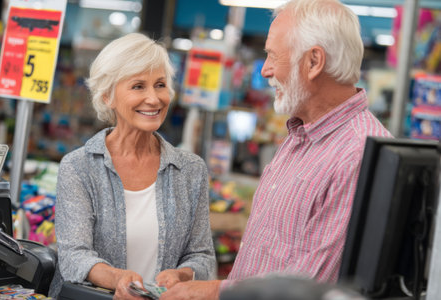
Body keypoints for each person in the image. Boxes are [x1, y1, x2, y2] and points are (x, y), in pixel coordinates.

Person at [159, 0, 392, 299]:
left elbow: (307, 289)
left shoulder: (357, 154)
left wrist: (212, 292)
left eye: (272, 55)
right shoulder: (300, 134)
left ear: (313, 62)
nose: (266, 69)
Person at [48, 33, 216, 299]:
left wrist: (181, 275)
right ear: (107, 97)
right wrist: (118, 279)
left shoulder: (191, 170)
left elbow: (202, 256)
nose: (153, 99)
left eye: (160, 85)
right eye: (138, 86)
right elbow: (74, 256)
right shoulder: (79, 168)